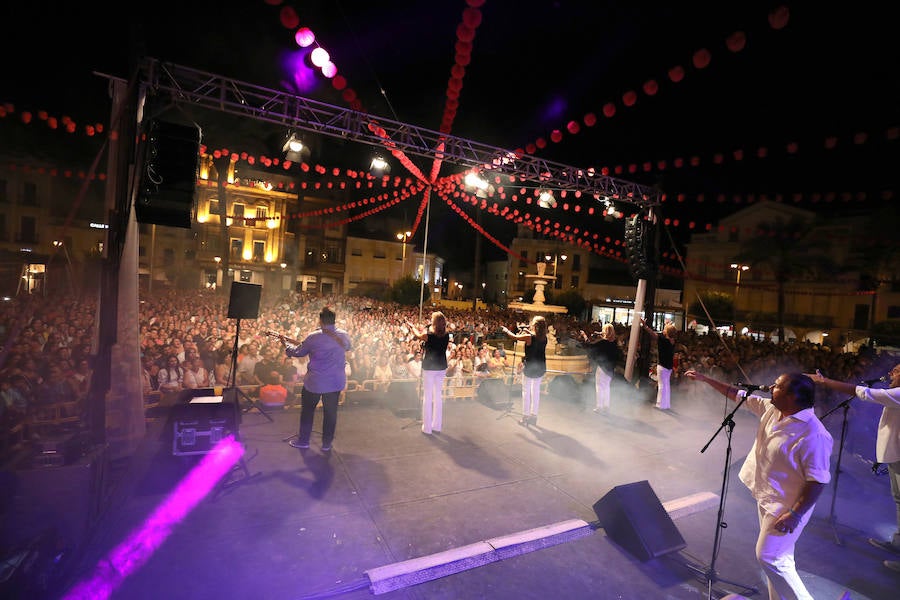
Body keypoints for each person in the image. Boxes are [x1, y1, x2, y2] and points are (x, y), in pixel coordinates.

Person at [684, 369, 832, 600]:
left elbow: (818, 481)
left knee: (769, 557)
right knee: (781, 558)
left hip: (786, 506)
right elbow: (736, 394)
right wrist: (705, 379)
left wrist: (795, 513)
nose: (771, 387)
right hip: (767, 495)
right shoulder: (772, 409)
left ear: (793, 397)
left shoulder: (814, 434)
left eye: (777, 385)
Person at [808, 362, 900, 573]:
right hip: (896, 454)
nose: (890, 373)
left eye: (896, 371)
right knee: (898, 499)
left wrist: (824, 381)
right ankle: (898, 543)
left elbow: (863, 393)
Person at [280, 307, 351, 451]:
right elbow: (348, 347)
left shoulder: (314, 336)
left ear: (321, 320)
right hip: (335, 382)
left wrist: (286, 345)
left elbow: (298, 352)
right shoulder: (344, 335)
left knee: (308, 412)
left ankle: (304, 441)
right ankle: (326, 444)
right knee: (331, 414)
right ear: (333, 320)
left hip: (315, 382)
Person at [407, 312, 450, 435]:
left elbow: (417, 335)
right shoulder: (446, 335)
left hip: (430, 367)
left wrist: (412, 326)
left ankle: (427, 428)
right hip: (441, 367)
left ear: (435, 323)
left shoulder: (428, 336)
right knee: (438, 396)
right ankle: (437, 426)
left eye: (432, 319)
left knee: (428, 397)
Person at [501, 315, 548, 426]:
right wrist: (526, 330)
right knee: (535, 392)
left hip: (531, 367)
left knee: (526, 392)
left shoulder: (529, 337)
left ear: (535, 326)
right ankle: (533, 416)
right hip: (541, 367)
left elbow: (514, 337)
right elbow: (533, 337)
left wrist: (506, 330)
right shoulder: (544, 337)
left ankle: (525, 416)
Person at [579, 323, 619, 413]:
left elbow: (590, 346)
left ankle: (599, 407)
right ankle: (606, 406)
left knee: (599, 386)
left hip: (602, 368)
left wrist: (584, 335)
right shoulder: (614, 343)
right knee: (607, 387)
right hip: (610, 369)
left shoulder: (603, 342)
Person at [641, 319, 678, 409]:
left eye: (664, 329)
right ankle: (666, 404)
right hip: (669, 367)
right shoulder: (672, 341)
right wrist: (667, 325)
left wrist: (645, 326)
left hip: (662, 366)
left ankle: (660, 404)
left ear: (666, 332)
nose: (663, 330)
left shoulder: (663, 340)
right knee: (666, 386)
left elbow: (652, 334)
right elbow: (667, 333)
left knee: (661, 385)